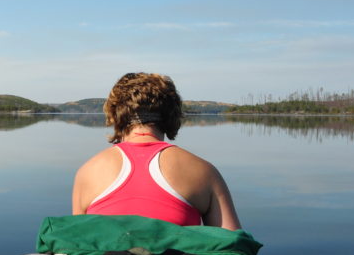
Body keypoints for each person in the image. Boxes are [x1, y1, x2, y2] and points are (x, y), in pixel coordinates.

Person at [71, 72, 241, 230]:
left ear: (115, 116)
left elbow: (75, 247)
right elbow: (234, 250)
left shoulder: (87, 172)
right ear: (172, 116)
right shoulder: (204, 172)